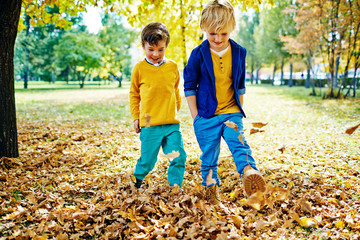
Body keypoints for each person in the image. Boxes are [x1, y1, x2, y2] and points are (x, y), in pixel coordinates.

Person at [183, 0, 266, 204]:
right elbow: (189, 86)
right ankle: (211, 192)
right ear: (204, 28)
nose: (218, 38)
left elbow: (240, 85)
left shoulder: (239, 52)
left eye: (224, 33)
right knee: (209, 157)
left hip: (231, 112)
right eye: (212, 33)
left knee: (239, 144)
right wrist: (196, 118)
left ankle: (249, 172)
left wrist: (239, 111)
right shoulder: (198, 54)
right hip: (206, 115)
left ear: (231, 29)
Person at [129, 22, 187, 189]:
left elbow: (175, 90)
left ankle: (175, 187)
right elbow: (134, 95)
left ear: (166, 47)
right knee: (148, 160)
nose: (156, 54)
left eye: (160, 49)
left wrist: (175, 110)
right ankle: (137, 180)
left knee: (177, 156)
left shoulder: (172, 67)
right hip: (148, 122)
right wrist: (136, 117)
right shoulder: (140, 68)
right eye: (151, 49)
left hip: (171, 123)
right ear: (143, 46)